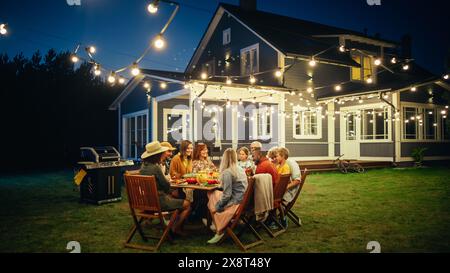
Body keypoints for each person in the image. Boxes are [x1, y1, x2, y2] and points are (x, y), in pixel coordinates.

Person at [139, 141, 191, 236]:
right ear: (157, 155)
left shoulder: (143, 167)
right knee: (187, 204)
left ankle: (169, 223)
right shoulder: (156, 168)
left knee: (175, 197)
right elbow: (166, 186)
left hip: (146, 201)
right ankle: (174, 228)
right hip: (158, 202)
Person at [206, 148, 248, 244]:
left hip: (236, 203)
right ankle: (215, 222)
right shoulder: (240, 169)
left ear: (224, 158)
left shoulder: (228, 172)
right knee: (212, 194)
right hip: (243, 201)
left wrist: (217, 207)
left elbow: (227, 195)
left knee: (212, 198)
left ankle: (218, 229)